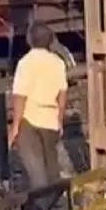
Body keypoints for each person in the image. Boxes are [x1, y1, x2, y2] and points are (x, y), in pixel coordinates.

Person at [9, 23, 68, 188]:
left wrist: (15, 127)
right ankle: (54, 205)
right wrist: (60, 120)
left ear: (29, 40)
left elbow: (20, 96)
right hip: (50, 121)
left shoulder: (25, 63)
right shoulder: (58, 63)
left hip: (30, 122)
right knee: (51, 168)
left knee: (36, 172)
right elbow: (62, 95)